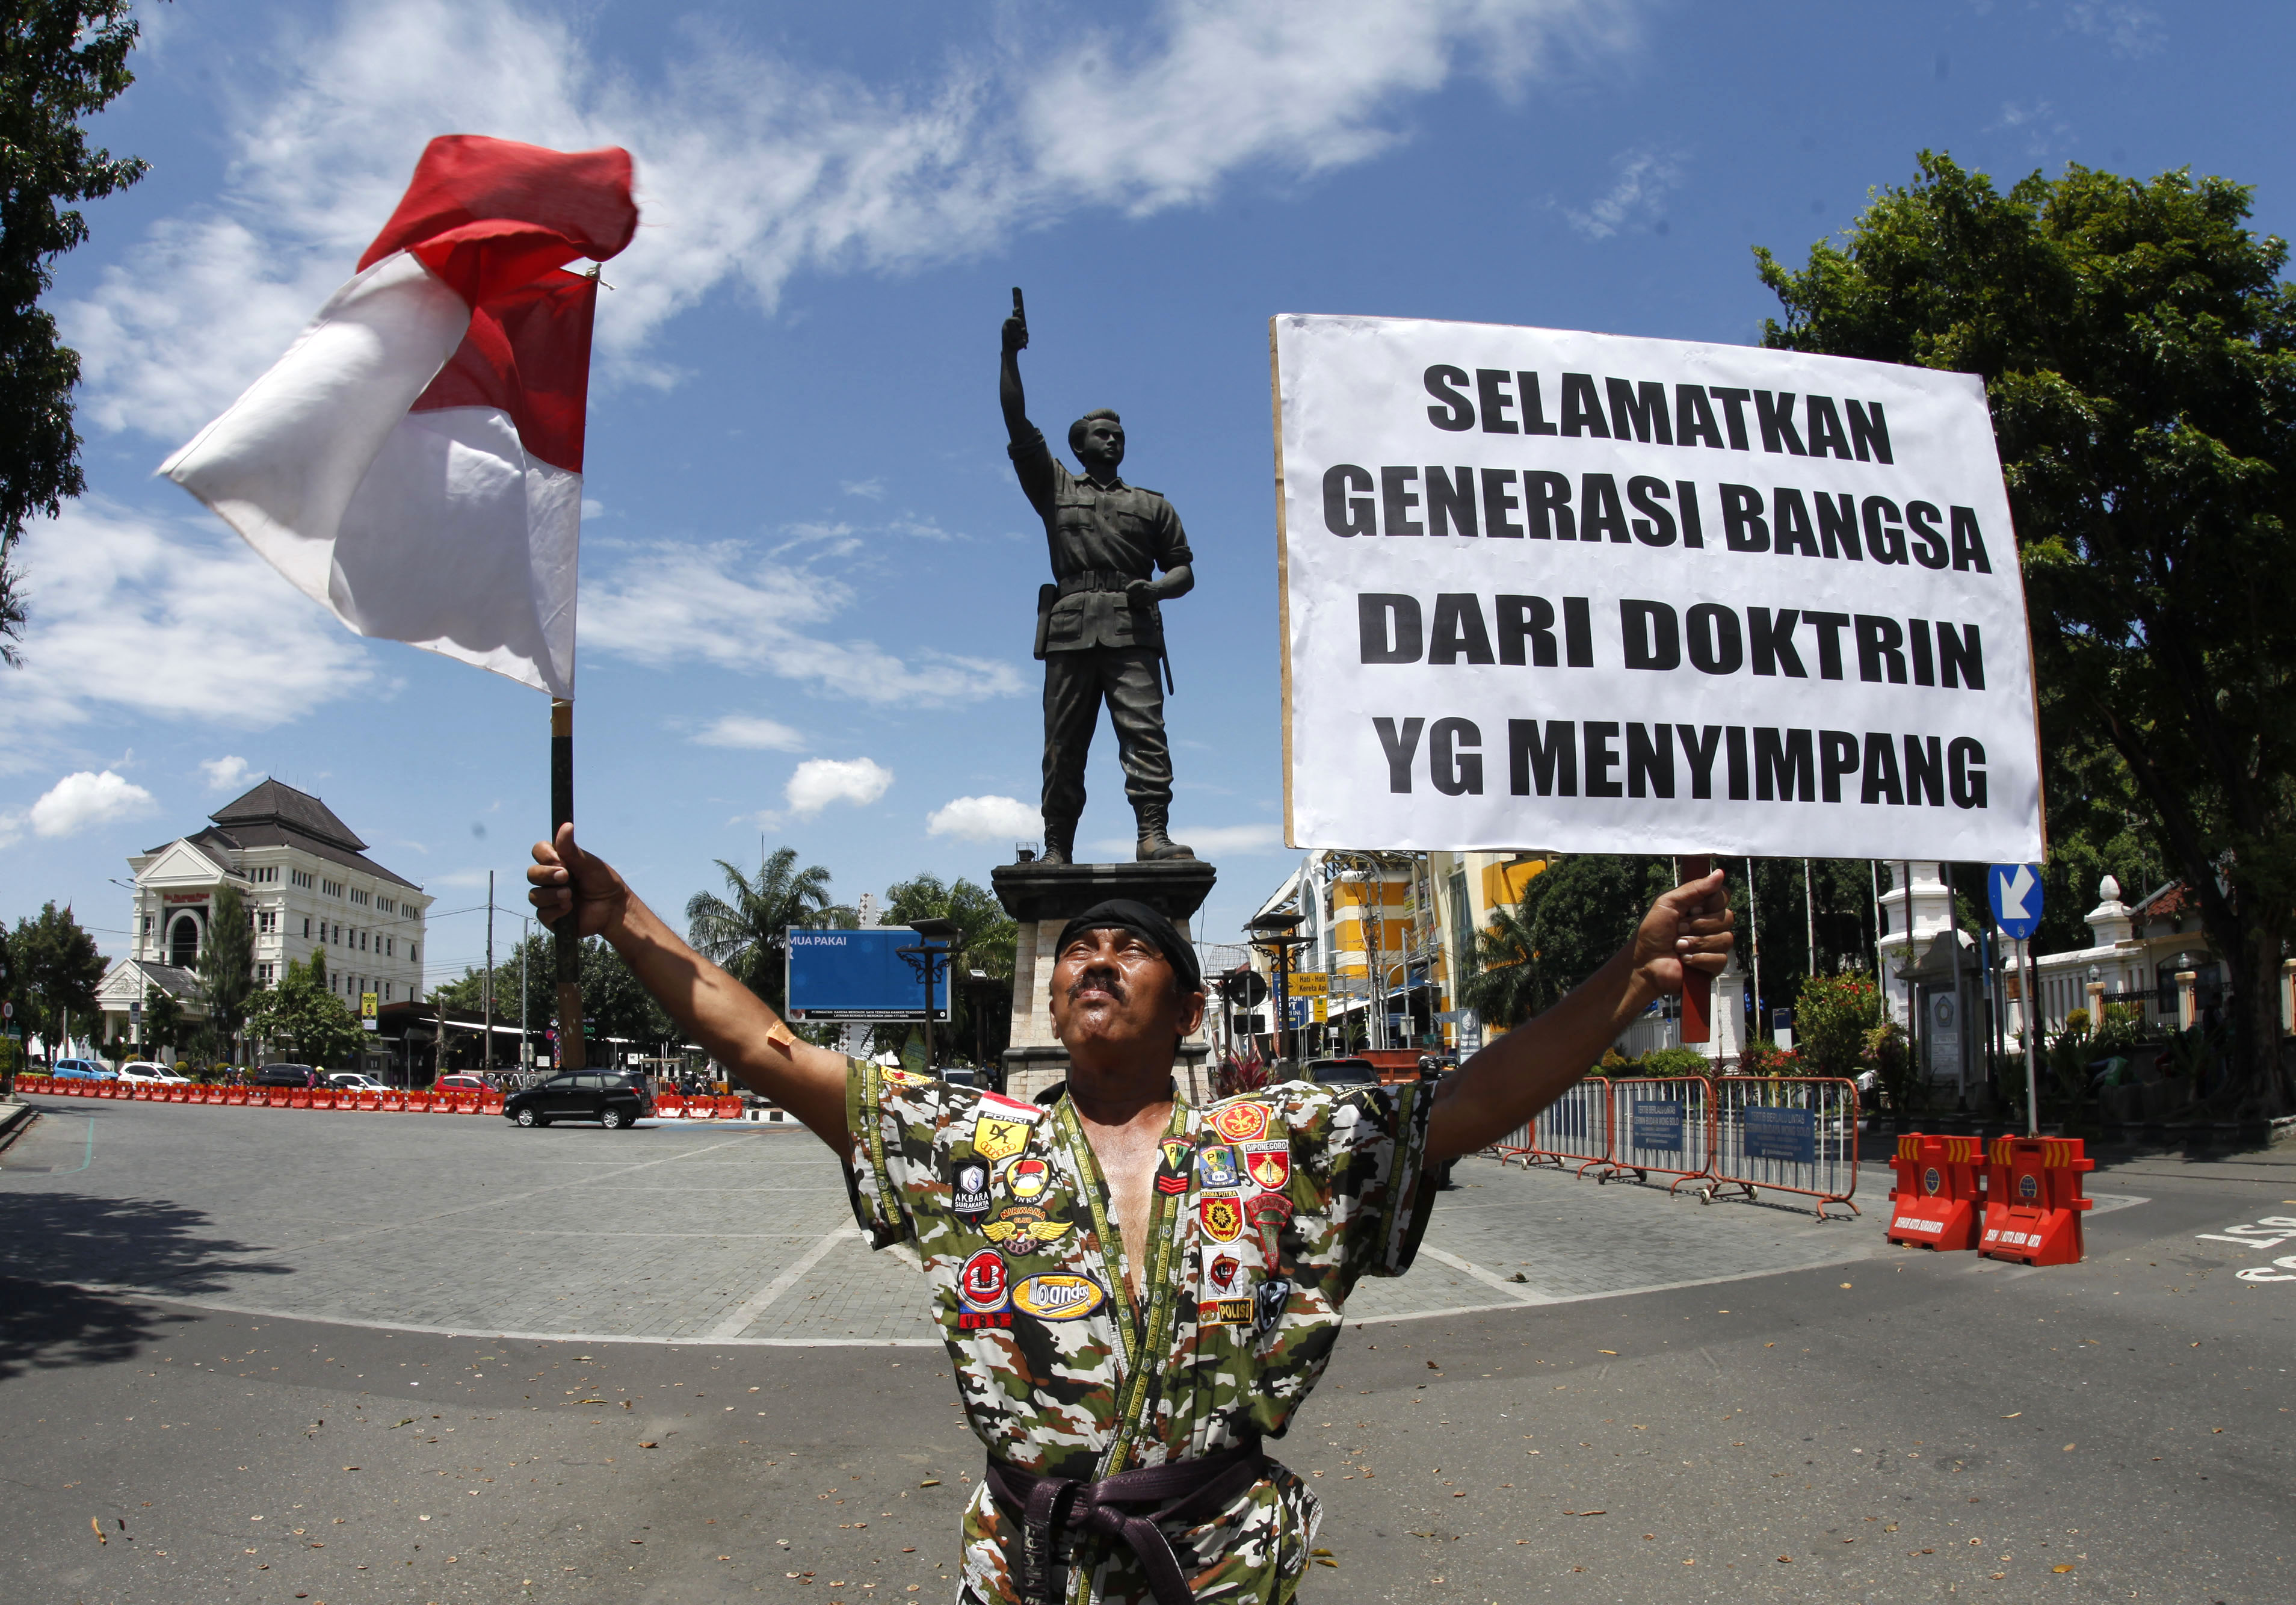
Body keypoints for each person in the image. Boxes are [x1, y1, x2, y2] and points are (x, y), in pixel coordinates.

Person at [528, 826, 1731, 1603]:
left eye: (1131, 949)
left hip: (1213, 1558)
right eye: (1077, 950)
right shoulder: (967, 1139)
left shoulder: (1279, 1142)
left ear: (1190, 1009)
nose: (1095, 959)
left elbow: (1467, 1101)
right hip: (1025, 1564)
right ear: (1050, 991)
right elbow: (762, 1040)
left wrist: (1627, 979)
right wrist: (619, 913)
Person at [1001, 289, 1196, 865]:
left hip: (1133, 626)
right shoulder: (1055, 487)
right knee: (1063, 745)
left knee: (1145, 734)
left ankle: (1153, 834)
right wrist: (1009, 356)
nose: (1114, 439)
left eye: (1119, 434)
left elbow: (1184, 568)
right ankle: (1057, 845)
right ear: (1078, 444)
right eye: (1102, 433)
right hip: (1069, 628)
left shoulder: (1151, 504)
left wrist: (1156, 588)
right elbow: (1016, 419)